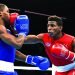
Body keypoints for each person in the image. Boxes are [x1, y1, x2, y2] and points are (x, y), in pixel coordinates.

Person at [0, 3, 50, 75]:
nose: (9, 14)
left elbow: (12, 49)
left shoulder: (5, 31)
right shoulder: (1, 28)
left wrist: (30, 59)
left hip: (7, 70)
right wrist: (22, 32)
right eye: (7, 11)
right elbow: (17, 44)